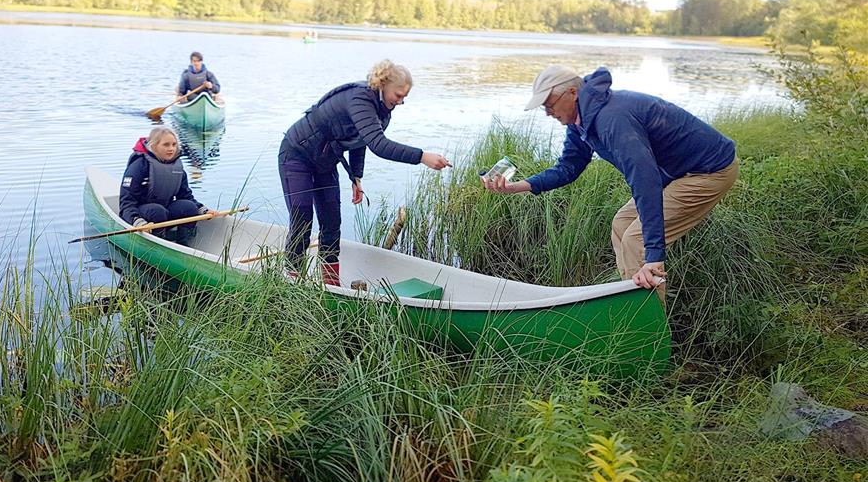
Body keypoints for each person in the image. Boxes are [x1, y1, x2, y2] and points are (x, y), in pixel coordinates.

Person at [483, 65, 739, 301]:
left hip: (708, 172)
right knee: (622, 223)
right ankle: (634, 295)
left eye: (549, 104)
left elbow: (645, 181)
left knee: (636, 242)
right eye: (544, 107)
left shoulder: (612, 118)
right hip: (675, 172)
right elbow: (569, 167)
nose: (548, 112)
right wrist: (519, 187)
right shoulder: (581, 119)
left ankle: (646, 326)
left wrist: (654, 256)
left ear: (572, 93)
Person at [279, 60, 452, 285]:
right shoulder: (359, 98)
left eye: (404, 97)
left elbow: (359, 141)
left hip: (325, 161)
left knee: (332, 222)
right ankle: (293, 282)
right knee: (302, 219)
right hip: (296, 155)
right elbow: (378, 145)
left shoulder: (383, 110)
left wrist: (355, 176)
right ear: (383, 85)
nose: (401, 102)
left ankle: (332, 285)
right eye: (398, 95)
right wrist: (422, 157)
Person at [119, 126, 209, 246]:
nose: (171, 149)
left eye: (174, 144)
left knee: (189, 207)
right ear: (154, 146)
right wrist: (138, 222)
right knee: (157, 211)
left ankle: (183, 244)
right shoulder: (139, 165)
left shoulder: (177, 167)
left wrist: (203, 209)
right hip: (143, 213)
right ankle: (158, 244)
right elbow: (126, 203)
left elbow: (185, 195)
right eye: (166, 145)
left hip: (165, 211)